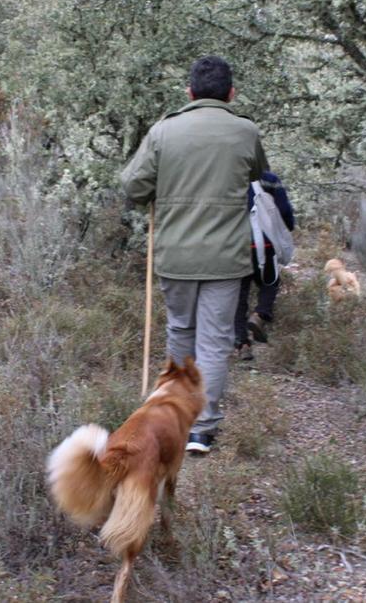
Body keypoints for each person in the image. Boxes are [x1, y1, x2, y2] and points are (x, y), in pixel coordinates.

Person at [121, 56, 267, 455]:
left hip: (176, 254)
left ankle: (176, 418)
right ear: (231, 93)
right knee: (216, 342)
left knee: (181, 331)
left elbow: (133, 187)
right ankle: (202, 430)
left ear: (189, 92)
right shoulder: (246, 131)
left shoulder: (164, 131)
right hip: (226, 258)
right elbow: (257, 174)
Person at [234, 170, 295, 361]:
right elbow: (283, 210)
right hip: (264, 244)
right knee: (270, 282)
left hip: (236, 246)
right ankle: (260, 314)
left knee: (239, 296)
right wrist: (287, 227)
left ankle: (242, 344)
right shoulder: (268, 179)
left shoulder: (227, 175)